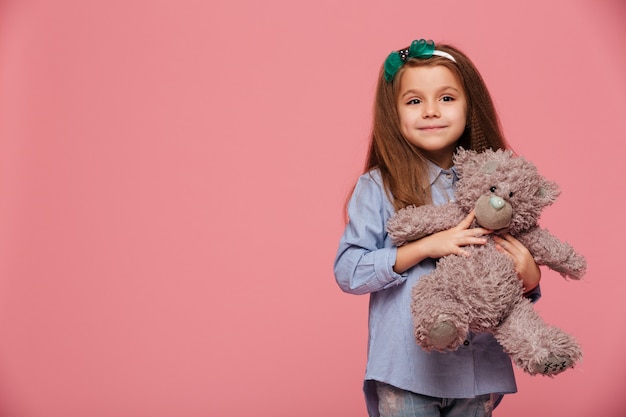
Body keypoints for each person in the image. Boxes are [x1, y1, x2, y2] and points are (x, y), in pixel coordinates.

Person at [333, 39, 542, 417]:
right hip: (406, 371)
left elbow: (505, 271)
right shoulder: (379, 186)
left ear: (469, 106)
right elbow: (349, 271)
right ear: (394, 113)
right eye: (414, 101)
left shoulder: (494, 185)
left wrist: (530, 276)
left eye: (446, 98)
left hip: (476, 372)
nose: (431, 111)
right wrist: (426, 246)